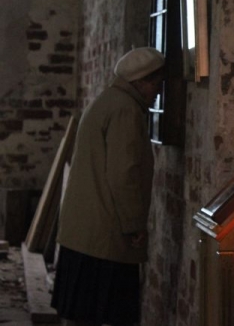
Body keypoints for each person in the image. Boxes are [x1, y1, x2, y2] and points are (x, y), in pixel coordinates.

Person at [51, 47, 165, 326]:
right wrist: (134, 224)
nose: (158, 94)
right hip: (105, 235)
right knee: (103, 315)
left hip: (86, 231)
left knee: (81, 314)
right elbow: (123, 174)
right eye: (156, 85)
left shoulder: (108, 101)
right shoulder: (126, 110)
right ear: (142, 82)